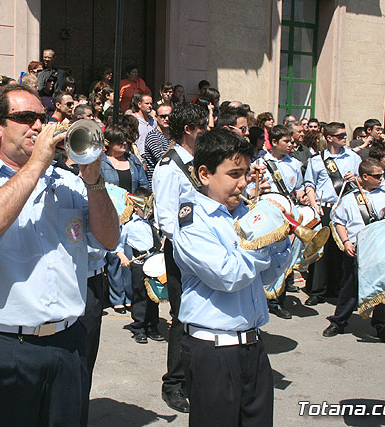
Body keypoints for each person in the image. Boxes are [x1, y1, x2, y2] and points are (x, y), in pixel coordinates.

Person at [0, 83, 118, 426]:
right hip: (6, 345)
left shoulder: (69, 182)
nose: (39, 127)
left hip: (68, 340)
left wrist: (94, 179)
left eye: (41, 118)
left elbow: (109, 238)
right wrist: (37, 164)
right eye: (26, 118)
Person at [174, 128, 292, 426]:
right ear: (204, 174)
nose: (243, 184)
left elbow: (268, 281)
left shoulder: (245, 213)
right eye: (234, 174)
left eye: (246, 173)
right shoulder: (192, 219)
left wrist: (281, 240)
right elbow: (227, 275)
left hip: (253, 345)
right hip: (213, 352)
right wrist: (261, 243)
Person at [152, 103, 208, 414]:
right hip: (182, 253)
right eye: (202, 125)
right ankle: (173, 384)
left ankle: (193, 377)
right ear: (188, 129)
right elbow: (167, 220)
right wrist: (189, 253)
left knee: (199, 315)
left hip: (202, 248)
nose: (206, 130)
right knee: (182, 317)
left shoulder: (199, 162)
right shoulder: (169, 167)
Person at [323, 158, 385, 343]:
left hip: (379, 248)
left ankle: (382, 326)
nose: (381, 179)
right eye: (377, 176)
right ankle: (338, 322)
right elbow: (339, 221)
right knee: (349, 286)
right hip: (357, 248)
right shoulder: (350, 198)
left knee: (381, 287)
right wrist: (346, 242)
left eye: (382, 175)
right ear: (364, 176)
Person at [249, 124, 305, 319]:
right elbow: (254, 187)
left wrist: (301, 194)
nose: (291, 144)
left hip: (288, 209)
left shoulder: (295, 164)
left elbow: (298, 187)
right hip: (270, 213)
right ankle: (265, 296)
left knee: (286, 254)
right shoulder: (261, 162)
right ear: (273, 143)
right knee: (270, 253)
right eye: (286, 141)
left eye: (291, 141)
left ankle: (279, 299)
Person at [303, 122, 361, 306]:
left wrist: (356, 179)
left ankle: (337, 289)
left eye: (345, 134)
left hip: (346, 207)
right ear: (329, 138)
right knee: (321, 250)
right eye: (341, 135)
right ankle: (317, 291)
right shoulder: (316, 160)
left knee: (341, 249)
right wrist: (314, 206)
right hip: (325, 207)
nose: (345, 138)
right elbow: (309, 185)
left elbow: (363, 181)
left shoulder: (353, 157)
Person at [101, 125, 148, 314]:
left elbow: (144, 185)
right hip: (110, 214)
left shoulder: (133, 160)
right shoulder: (102, 162)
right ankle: (116, 297)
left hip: (132, 215)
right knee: (114, 257)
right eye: (120, 142)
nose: (124, 145)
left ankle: (130, 296)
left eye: (126, 142)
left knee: (130, 257)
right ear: (109, 144)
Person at [116, 187, 164, 344]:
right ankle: (139, 327)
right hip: (139, 264)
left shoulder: (154, 223)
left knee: (154, 297)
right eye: (146, 208)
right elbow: (118, 243)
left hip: (154, 264)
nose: (149, 212)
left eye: (151, 209)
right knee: (140, 296)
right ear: (136, 207)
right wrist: (122, 256)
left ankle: (152, 326)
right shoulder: (129, 225)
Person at [142, 103, 172, 186]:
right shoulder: (153, 136)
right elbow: (163, 159)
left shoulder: (175, 137)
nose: (167, 119)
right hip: (158, 185)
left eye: (170, 116)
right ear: (156, 117)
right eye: (163, 116)